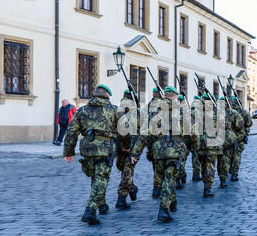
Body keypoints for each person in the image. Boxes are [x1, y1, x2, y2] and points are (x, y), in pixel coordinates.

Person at [130, 86, 198, 223]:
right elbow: (194, 134)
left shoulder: (154, 113)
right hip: (176, 150)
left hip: (158, 151)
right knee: (169, 179)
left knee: (166, 179)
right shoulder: (184, 113)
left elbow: (144, 135)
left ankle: (172, 202)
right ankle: (164, 209)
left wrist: (135, 153)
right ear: (175, 97)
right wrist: (195, 147)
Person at [63, 84, 119, 225]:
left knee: (95, 177)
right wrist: (126, 148)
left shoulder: (82, 111)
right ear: (107, 96)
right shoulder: (113, 110)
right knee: (101, 178)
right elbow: (124, 132)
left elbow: (71, 131)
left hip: (88, 148)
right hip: (105, 148)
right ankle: (90, 210)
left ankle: (102, 204)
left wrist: (68, 152)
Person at [115, 90, 139, 210]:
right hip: (131, 146)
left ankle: (126, 194)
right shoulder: (136, 111)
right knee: (127, 171)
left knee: (124, 170)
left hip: (118, 146)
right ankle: (127, 193)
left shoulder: (117, 110)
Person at [196, 93, 223, 198]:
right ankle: (207, 188)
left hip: (200, 144)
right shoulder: (216, 113)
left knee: (203, 165)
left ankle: (205, 182)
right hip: (212, 144)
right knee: (210, 166)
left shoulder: (197, 112)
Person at [216, 97, 245, 188]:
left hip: (220, 140)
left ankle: (223, 178)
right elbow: (241, 125)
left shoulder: (215, 113)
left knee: (221, 160)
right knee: (227, 159)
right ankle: (229, 176)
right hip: (228, 140)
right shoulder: (233, 113)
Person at [230, 96, 253, 182]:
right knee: (237, 156)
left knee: (228, 155)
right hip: (240, 137)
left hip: (229, 137)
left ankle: (228, 170)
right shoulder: (244, 112)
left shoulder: (229, 112)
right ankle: (234, 174)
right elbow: (249, 123)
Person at [191, 96, 203, 182]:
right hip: (198, 136)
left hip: (189, 136)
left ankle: (181, 176)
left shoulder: (189, 112)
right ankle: (196, 174)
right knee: (197, 156)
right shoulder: (200, 113)